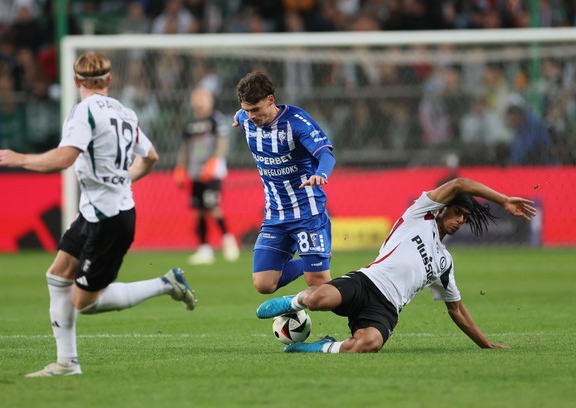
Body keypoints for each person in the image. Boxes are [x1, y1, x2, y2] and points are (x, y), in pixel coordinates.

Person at [0, 52, 197, 376]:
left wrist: (20, 158)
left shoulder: (83, 111)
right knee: (57, 274)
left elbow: (63, 158)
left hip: (109, 221)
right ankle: (66, 363)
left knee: (83, 302)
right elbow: (151, 156)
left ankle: (166, 283)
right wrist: (124, 179)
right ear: (109, 81)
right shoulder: (125, 112)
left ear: (76, 82)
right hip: (96, 213)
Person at [256, 177, 536, 353]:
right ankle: (293, 303)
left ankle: (317, 347)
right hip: (367, 282)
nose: (461, 220)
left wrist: (486, 345)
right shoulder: (419, 215)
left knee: (368, 344)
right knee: (318, 297)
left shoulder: (444, 262)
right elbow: (460, 183)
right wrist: (502, 199)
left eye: (465, 216)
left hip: (387, 309)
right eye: (458, 212)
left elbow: (457, 309)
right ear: (442, 209)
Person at [233, 71, 336, 294]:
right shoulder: (245, 118)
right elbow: (241, 115)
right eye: (247, 110)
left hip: (307, 213)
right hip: (275, 216)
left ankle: (319, 265)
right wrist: (238, 115)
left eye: (256, 110)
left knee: (319, 286)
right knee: (263, 284)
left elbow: (326, 153)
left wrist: (321, 174)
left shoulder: (297, 123)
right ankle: (316, 259)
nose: (251, 116)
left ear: (271, 99)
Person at [174, 87, 239, 265]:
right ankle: (204, 249)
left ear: (210, 100)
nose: (200, 101)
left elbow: (222, 143)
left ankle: (228, 239)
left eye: (203, 97)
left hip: (212, 173)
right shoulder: (190, 124)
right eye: (197, 97)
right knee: (198, 211)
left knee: (213, 207)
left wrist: (213, 163)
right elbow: (185, 149)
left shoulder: (216, 120)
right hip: (195, 173)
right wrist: (180, 168)